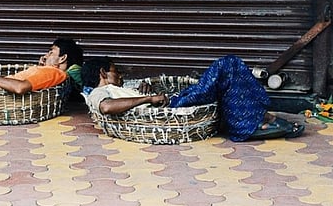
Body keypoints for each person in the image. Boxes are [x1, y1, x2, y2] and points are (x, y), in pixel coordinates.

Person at [81, 55, 304, 142]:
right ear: (102, 73)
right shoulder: (99, 93)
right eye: (114, 71)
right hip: (173, 105)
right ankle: (249, 123)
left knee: (229, 74)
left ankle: (253, 118)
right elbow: (108, 107)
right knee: (228, 64)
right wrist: (147, 99)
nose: (119, 75)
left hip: (176, 98)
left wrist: (141, 91)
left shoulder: (119, 87)